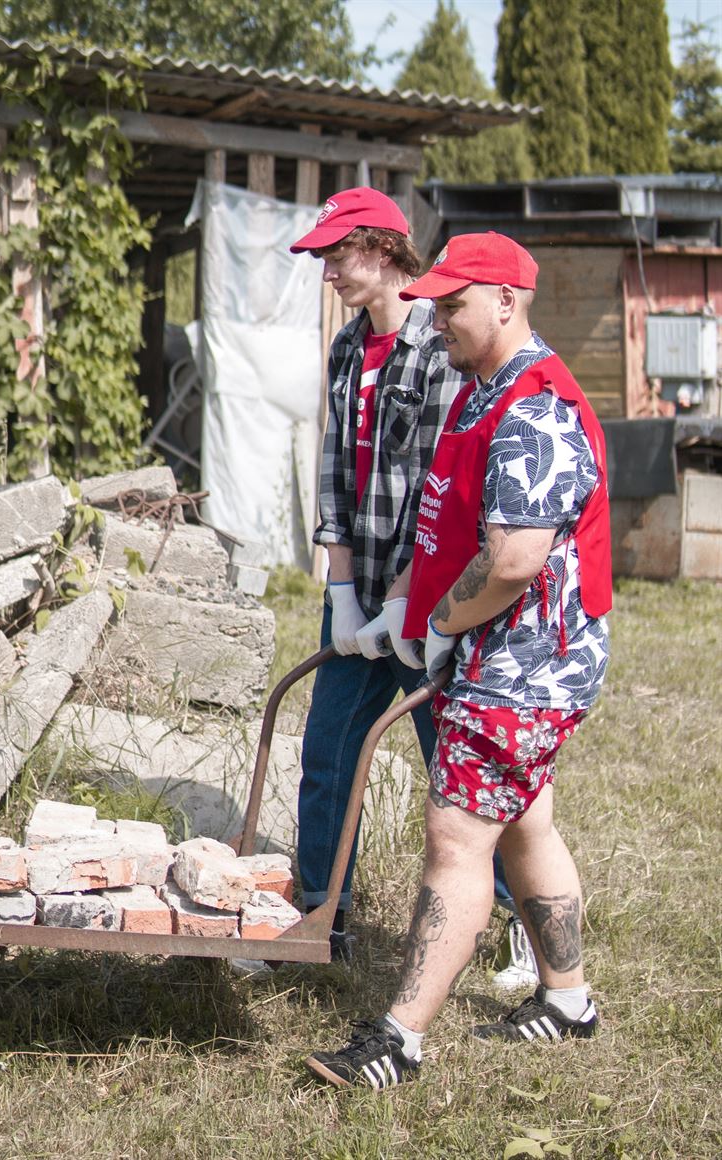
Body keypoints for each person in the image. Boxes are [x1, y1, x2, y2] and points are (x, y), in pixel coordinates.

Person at [305, 231, 612, 1087]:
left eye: (453, 305)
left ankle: (398, 1039)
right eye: (435, 305)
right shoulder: (483, 391)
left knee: (456, 837)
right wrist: (407, 607)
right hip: (496, 645)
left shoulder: (535, 409)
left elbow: (513, 559)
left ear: (506, 302)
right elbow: (444, 517)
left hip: (525, 662)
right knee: (525, 822)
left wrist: (441, 622)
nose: (437, 320)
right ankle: (568, 999)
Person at [234, 189, 527, 980]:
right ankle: (319, 922)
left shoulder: (439, 347)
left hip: (429, 604)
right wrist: (341, 594)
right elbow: (334, 469)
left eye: (338, 254)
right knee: (327, 753)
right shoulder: (346, 347)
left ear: (384, 249)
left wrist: (405, 600)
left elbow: (441, 489)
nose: (327, 271)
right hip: (359, 597)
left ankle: (519, 922)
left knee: (458, 769)